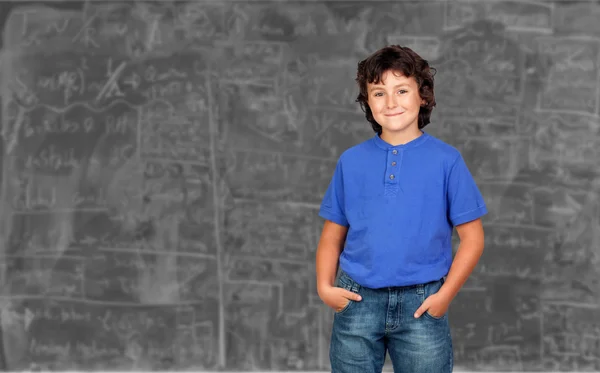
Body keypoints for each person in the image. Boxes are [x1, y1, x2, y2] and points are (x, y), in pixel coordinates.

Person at [315, 45, 487, 373]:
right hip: (357, 301)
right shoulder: (350, 161)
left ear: (422, 96)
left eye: (402, 90)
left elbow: (473, 238)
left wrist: (444, 297)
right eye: (379, 93)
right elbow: (332, 235)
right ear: (368, 101)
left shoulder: (446, 160)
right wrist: (325, 287)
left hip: (422, 304)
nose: (391, 103)